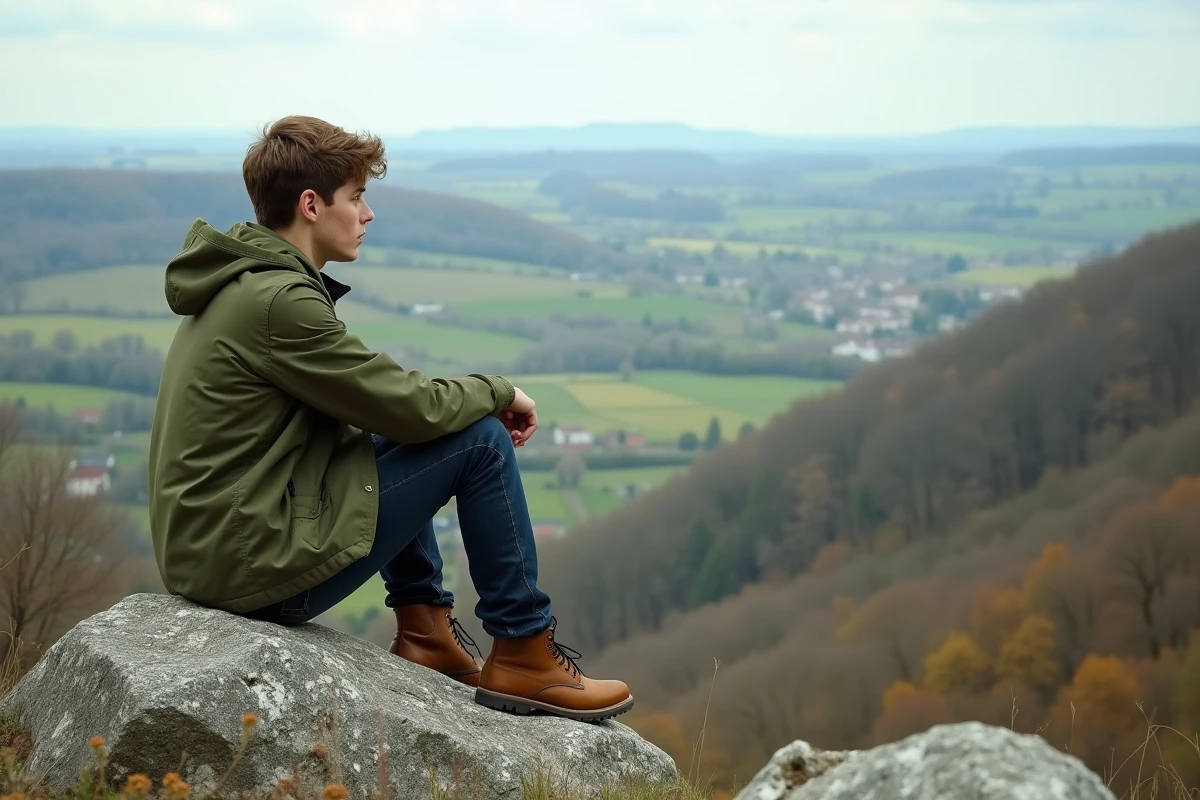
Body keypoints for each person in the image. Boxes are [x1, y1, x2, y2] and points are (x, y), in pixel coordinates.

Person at [148, 115, 632, 723]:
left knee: (387, 430)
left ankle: (425, 630)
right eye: (356, 197)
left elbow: (383, 407)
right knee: (479, 440)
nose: (368, 213)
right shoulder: (278, 301)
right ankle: (525, 652)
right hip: (246, 564)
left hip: (222, 549)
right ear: (310, 205)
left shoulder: (246, 285)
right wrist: (497, 389)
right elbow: (414, 407)